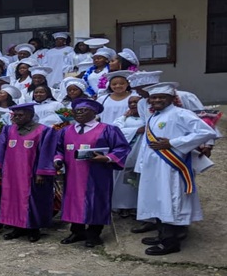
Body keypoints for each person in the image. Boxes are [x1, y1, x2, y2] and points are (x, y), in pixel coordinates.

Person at [134, 82, 217, 255]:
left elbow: (206, 132)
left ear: (171, 98)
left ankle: (170, 242)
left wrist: (172, 142)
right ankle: (162, 234)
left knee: (169, 200)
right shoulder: (154, 116)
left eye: (161, 97)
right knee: (156, 198)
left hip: (170, 166)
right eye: (154, 97)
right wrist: (142, 164)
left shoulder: (181, 113)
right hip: (153, 166)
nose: (157, 100)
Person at [54, 98, 130, 247]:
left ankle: (94, 234)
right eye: (77, 111)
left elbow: (122, 148)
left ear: (94, 112)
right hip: (73, 175)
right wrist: (58, 160)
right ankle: (77, 231)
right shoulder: (65, 131)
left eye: (84, 110)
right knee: (73, 201)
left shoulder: (108, 130)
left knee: (97, 202)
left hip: (97, 175)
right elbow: (58, 149)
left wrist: (107, 158)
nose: (79, 113)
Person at [0, 103, 57, 242]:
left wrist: (42, 172)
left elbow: (47, 153)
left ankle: (33, 229)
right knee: (12, 199)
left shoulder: (44, 131)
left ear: (30, 115)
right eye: (15, 115)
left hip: (32, 174)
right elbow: (0, 149)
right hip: (11, 173)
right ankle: (17, 227)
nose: (17, 118)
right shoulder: (8, 130)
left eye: (21, 115)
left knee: (34, 201)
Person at [112, 95, 145, 217]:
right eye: (130, 102)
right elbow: (116, 130)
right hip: (127, 154)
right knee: (124, 181)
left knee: (138, 181)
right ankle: (123, 205)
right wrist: (136, 131)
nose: (133, 104)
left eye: (136, 102)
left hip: (140, 153)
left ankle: (136, 206)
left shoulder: (147, 118)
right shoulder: (124, 118)